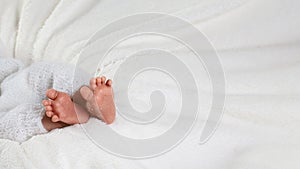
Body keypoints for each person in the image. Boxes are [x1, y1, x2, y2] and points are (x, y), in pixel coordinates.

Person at [0, 57, 116, 142]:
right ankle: (57, 119)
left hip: (17, 78)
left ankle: (88, 97)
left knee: (51, 72)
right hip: (6, 108)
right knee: (6, 126)